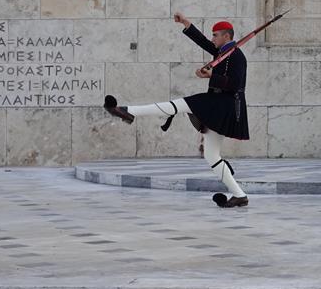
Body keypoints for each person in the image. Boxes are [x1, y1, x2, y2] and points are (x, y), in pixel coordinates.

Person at [104, 13, 250, 208]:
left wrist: (211, 75)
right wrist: (186, 24)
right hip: (218, 104)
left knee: (182, 104)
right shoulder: (222, 52)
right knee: (211, 155)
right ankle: (239, 195)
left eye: (216, 35)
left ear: (226, 36)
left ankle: (128, 111)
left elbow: (235, 84)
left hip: (226, 105)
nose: (213, 38)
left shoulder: (237, 56)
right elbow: (203, 42)